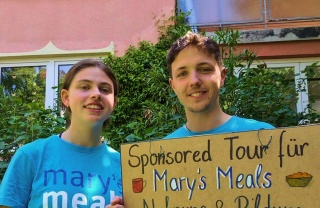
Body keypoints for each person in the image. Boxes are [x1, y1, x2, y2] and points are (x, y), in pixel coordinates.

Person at [0, 59, 124, 208]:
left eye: (104, 89)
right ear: (66, 97)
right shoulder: (31, 156)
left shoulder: (125, 166)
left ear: (114, 103)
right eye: (85, 87)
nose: (96, 94)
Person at [165, 31, 274, 139]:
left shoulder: (265, 136)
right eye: (182, 73)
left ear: (222, 76)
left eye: (204, 69)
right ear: (173, 85)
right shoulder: (163, 151)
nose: (194, 81)